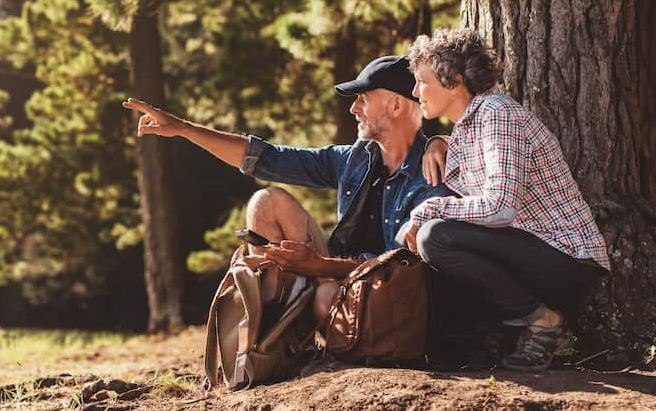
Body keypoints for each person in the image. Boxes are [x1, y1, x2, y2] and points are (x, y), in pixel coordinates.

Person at [122, 55, 452, 323]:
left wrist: (321, 268)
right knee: (266, 202)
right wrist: (182, 129)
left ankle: (294, 331)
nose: (353, 109)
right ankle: (264, 333)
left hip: (385, 293)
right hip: (335, 274)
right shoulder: (355, 159)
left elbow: (404, 270)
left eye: (364, 99)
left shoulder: (432, 173)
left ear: (396, 106)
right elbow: (266, 158)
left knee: (326, 298)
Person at [403, 28, 610, 372]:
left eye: (422, 81)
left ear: (453, 81)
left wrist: (428, 210)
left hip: (567, 258)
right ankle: (484, 340)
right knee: (428, 251)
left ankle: (544, 323)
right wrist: (437, 141)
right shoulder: (468, 127)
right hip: (528, 254)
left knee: (435, 235)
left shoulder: (495, 113)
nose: (415, 92)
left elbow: (501, 206)